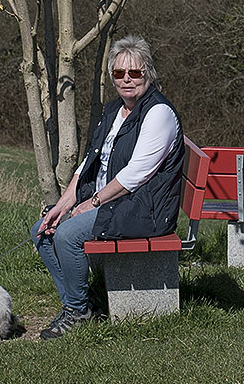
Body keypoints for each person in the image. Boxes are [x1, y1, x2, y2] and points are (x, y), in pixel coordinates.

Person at [31, 35, 183, 339]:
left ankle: (77, 311)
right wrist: (62, 205)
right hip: (116, 203)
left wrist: (92, 203)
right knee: (42, 229)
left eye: (135, 72)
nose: (127, 79)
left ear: (148, 73)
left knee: (68, 235)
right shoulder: (114, 111)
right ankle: (80, 303)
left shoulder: (159, 113)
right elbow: (89, 162)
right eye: (119, 73)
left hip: (146, 210)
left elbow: (136, 174)